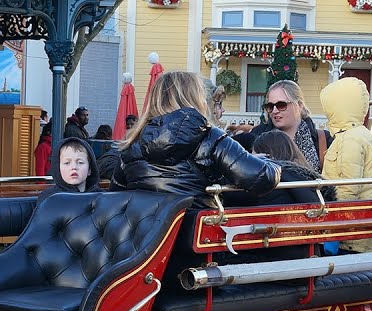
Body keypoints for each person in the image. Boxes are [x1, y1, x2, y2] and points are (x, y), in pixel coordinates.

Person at [112, 70, 279, 205]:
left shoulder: (132, 144)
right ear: (195, 99)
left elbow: (116, 195)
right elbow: (262, 177)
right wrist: (271, 163)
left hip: (148, 239)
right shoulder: (210, 137)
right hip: (197, 236)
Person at [319, 77, 372, 253]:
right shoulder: (356, 134)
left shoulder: (350, 139)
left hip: (353, 240)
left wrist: (332, 230)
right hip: (360, 235)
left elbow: (347, 189)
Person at [249, 130, 337, 257]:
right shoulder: (306, 180)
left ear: (265, 157)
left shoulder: (270, 189)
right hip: (308, 257)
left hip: (271, 259)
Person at [236, 80, 332, 172]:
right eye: (270, 106)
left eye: (281, 105)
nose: (274, 111)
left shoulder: (323, 140)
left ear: (299, 105)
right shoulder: (255, 136)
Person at [37, 137, 100, 201]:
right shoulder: (48, 198)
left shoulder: (100, 197)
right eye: (67, 163)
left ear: (89, 169)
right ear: (58, 168)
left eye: (80, 162)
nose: (74, 167)